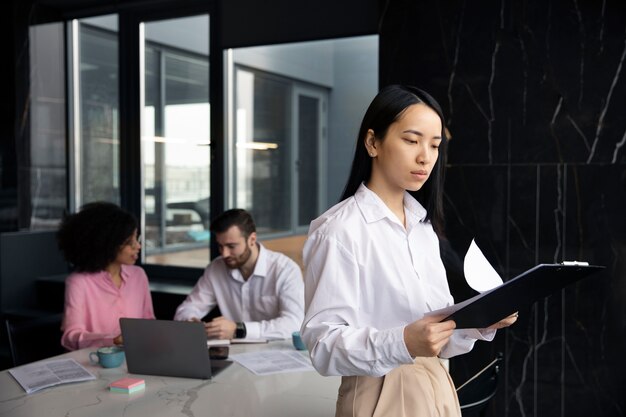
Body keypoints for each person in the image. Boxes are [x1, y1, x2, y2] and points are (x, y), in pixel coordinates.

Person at [300, 85, 517, 417]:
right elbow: (322, 346)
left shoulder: (423, 227)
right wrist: (403, 342)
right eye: (412, 140)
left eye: (434, 145)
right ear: (373, 142)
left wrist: (481, 322)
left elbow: (437, 337)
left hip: (438, 387)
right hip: (380, 395)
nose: (425, 157)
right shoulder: (339, 230)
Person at [174, 208, 304, 340]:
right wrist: (191, 323)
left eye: (231, 246)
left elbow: (294, 324)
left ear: (252, 239)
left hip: (276, 354)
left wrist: (240, 330)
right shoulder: (216, 269)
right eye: (220, 246)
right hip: (233, 353)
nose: (224, 254)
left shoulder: (285, 270)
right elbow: (187, 309)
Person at [58, 202, 155, 351]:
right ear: (107, 244)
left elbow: (149, 322)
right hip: (95, 362)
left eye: (137, 238)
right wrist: (113, 340)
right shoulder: (79, 282)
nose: (138, 246)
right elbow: (71, 337)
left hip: (137, 358)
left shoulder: (138, 275)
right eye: (130, 242)